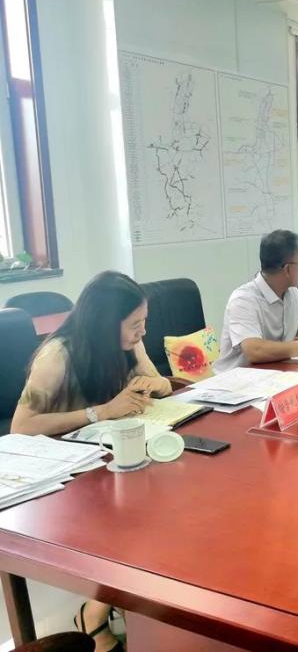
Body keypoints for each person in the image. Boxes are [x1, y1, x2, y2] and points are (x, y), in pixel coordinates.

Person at [12, 271, 172, 652]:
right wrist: (101, 412)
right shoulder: (58, 356)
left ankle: (108, 609)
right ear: (105, 323)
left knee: (162, 503)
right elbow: (21, 426)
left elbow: (163, 384)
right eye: (135, 324)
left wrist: (153, 381)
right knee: (140, 519)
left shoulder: (127, 344)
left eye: (144, 321)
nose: (143, 332)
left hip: (104, 458)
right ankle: (104, 611)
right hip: (63, 477)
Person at [215, 230, 298, 373]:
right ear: (288, 269)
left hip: (276, 374)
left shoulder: (292, 293)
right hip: (237, 380)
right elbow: (254, 350)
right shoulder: (243, 300)